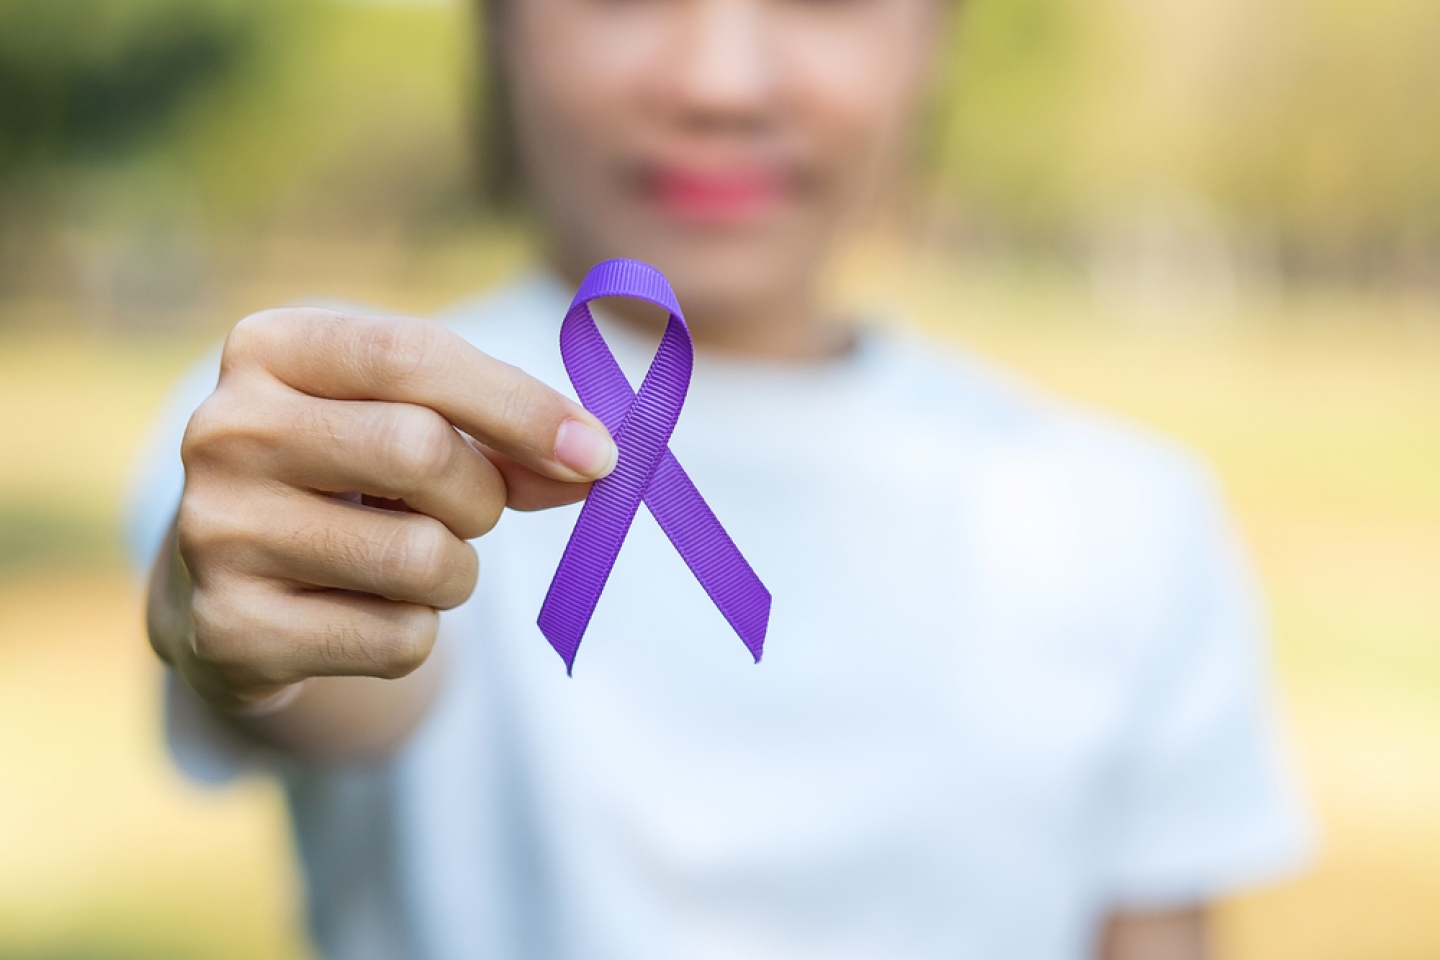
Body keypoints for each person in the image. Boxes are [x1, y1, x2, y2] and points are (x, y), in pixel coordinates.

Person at [128, 0, 1311, 956]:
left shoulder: (1122, 515)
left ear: (939, 30)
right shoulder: (327, 425)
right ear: (497, 24)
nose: (721, 83)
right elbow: (321, 679)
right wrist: (239, 618)